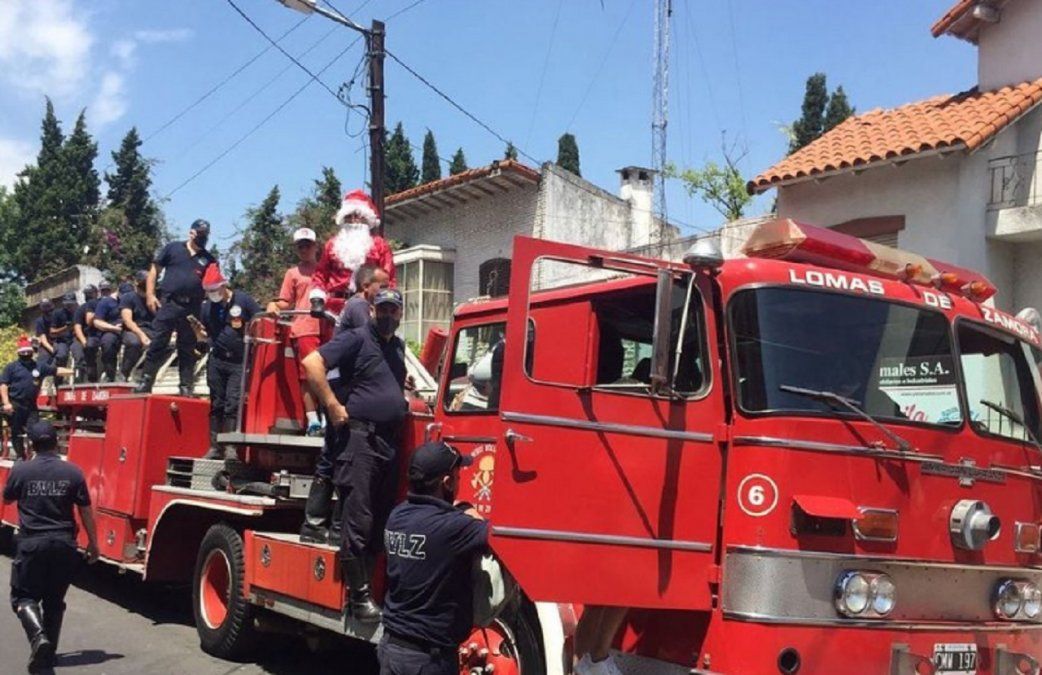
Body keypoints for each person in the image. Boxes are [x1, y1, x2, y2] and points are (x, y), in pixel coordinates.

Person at [300, 289, 407, 622]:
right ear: (372, 310)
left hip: (388, 443)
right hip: (359, 440)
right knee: (357, 520)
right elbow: (312, 362)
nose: (388, 315)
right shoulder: (357, 339)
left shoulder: (398, 347)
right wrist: (331, 406)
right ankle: (357, 599)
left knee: (380, 522)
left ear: (401, 314)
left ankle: (371, 593)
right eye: (383, 309)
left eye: (394, 310)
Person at [378, 441, 486, 675]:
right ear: (446, 483)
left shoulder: (397, 516)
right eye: (457, 477)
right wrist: (469, 511)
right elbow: (497, 535)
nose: (459, 483)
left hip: (391, 649)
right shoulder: (454, 527)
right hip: (427, 660)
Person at [3, 420, 99, 673]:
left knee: (23, 597)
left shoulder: (21, 471)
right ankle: (49, 654)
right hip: (65, 545)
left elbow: (7, 497)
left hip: (32, 543)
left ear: (31, 443)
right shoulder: (73, 472)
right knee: (55, 601)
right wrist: (94, 543)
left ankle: (38, 638)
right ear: (56, 442)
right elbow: (86, 510)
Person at [135, 219, 217, 395]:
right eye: (200, 233)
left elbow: (213, 284)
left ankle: (185, 386)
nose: (203, 237)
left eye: (206, 235)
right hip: (170, 303)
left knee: (187, 347)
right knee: (158, 342)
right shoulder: (173, 248)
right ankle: (146, 381)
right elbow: (154, 270)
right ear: (192, 232)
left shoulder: (209, 259)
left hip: (193, 307)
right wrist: (150, 294)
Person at [196, 266, 261, 460]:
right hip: (216, 359)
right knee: (217, 402)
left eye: (215, 290)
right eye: (209, 291)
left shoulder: (243, 300)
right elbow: (206, 334)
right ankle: (215, 446)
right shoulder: (206, 307)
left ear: (224, 286)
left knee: (233, 403)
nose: (213, 294)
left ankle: (230, 446)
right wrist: (198, 332)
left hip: (238, 361)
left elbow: (260, 321)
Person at [267, 227, 324, 436]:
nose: (304, 249)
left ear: (315, 246)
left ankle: (327, 415)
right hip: (305, 328)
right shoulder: (293, 273)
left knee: (330, 373)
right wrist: (272, 305)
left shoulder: (326, 270)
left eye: (307, 245)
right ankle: (313, 420)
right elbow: (285, 301)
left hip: (327, 326)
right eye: (300, 246)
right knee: (308, 375)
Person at [311, 190, 396, 317]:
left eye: (358, 215)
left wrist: (388, 304)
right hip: (334, 309)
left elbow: (389, 277)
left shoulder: (379, 245)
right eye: (348, 216)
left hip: (368, 306)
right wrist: (317, 299)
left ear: (367, 218)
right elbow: (320, 275)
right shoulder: (332, 245)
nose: (353, 220)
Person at [0, 337, 72, 459]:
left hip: (31, 406)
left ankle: (35, 455)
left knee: (34, 431)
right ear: (18, 353)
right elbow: (3, 385)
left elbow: (56, 370)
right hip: (15, 404)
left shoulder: (39, 366)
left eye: (28, 352)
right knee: (16, 432)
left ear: (32, 352)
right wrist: (6, 403)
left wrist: (72, 371)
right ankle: (20, 457)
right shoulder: (11, 368)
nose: (26, 354)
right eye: (23, 353)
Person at [119, 270, 156, 382]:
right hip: (133, 329)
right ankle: (124, 373)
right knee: (134, 343)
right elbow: (127, 320)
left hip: (152, 329)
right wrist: (141, 335)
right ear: (137, 282)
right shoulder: (128, 298)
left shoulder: (155, 298)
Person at [337, 263, 390, 334]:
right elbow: (370, 335)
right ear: (366, 286)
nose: (386, 291)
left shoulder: (358, 303)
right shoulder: (358, 305)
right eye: (383, 287)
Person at [91, 282, 124, 382]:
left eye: (107, 290)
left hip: (131, 329)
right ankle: (110, 374)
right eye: (103, 291)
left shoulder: (133, 300)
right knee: (107, 342)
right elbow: (97, 322)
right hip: (112, 330)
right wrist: (114, 328)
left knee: (134, 343)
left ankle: (125, 373)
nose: (105, 293)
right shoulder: (104, 303)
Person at [71, 284, 99, 383]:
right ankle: (78, 381)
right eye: (87, 294)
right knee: (78, 355)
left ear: (96, 293)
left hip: (97, 337)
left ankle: (93, 378)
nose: (88, 296)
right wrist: (83, 341)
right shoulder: (80, 309)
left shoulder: (102, 306)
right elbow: (77, 327)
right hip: (81, 337)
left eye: (90, 293)